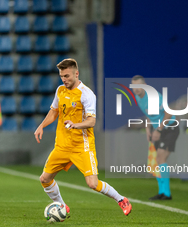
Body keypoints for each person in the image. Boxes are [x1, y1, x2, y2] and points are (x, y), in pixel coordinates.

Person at [34, 58, 132, 216]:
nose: (64, 80)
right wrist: (41, 126)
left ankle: (121, 199)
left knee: (92, 183)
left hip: (82, 146)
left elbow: (92, 121)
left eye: (67, 76)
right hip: (62, 145)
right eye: (62, 76)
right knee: (45, 179)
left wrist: (75, 125)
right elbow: (54, 111)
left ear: (76, 73)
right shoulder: (60, 90)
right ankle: (62, 206)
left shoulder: (87, 94)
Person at [131, 75, 180, 200]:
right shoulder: (138, 97)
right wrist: (148, 129)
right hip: (158, 130)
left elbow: (169, 112)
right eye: (134, 86)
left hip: (169, 127)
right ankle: (162, 192)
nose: (136, 89)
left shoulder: (154, 96)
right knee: (157, 161)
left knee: (160, 158)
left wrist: (158, 129)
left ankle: (167, 194)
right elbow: (149, 115)